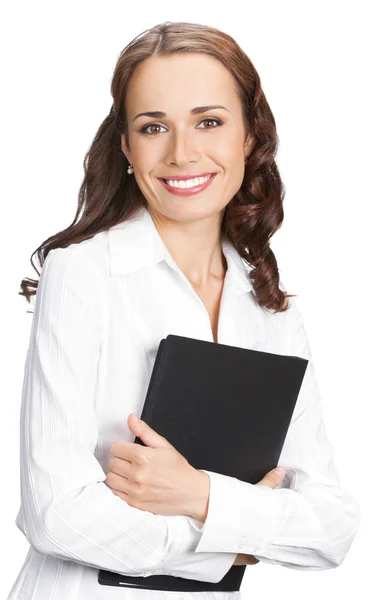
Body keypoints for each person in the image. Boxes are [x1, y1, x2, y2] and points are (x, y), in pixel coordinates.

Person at [8, 20, 360, 600]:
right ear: (126, 146)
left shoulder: (271, 308)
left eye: (209, 121)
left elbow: (332, 529)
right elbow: (55, 513)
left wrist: (199, 495)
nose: (182, 153)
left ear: (250, 136)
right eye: (154, 127)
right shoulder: (84, 275)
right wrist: (238, 542)